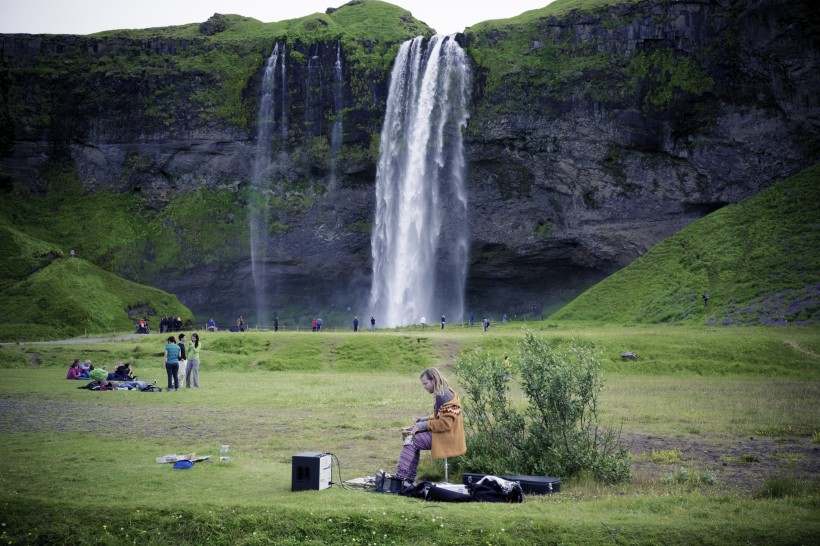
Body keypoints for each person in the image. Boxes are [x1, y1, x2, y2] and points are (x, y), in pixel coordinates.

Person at [394, 367, 466, 484]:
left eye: (425, 383)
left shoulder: (444, 396)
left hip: (448, 438)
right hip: (447, 435)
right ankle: (407, 479)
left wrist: (423, 425)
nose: (424, 387)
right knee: (412, 439)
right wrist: (423, 420)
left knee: (412, 440)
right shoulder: (444, 392)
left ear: (433, 380)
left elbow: (445, 424)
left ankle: (401, 477)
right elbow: (441, 416)